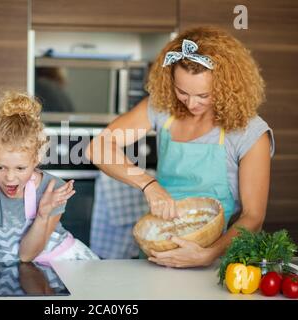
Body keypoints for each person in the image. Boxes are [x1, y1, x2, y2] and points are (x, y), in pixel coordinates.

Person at [86, 26, 274, 268]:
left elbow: (253, 217)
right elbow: (98, 147)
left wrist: (208, 254)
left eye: (204, 95)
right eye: (182, 92)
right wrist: (148, 184)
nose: (191, 103)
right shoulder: (162, 108)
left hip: (213, 260)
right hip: (158, 251)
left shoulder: (249, 132)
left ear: (227, 87)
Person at [0, 90, 99, 265]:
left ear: (36, 160)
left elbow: (26, 255)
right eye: (0, 167)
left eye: (20, 168)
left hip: (66, 265)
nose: (10, 178)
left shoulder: (52, 188)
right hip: (19, 272)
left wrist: (43, 214)